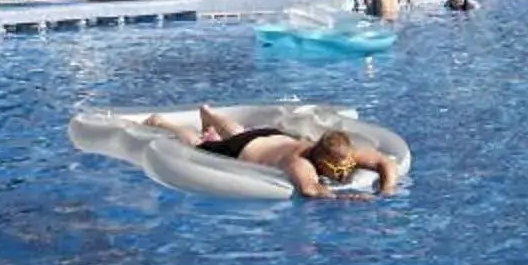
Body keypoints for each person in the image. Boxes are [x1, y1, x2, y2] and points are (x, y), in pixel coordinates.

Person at [156, 107, 402, 198]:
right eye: (337, 170)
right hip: (243, 148)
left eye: (347, 167)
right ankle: (163, 123)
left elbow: (384, 162)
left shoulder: (342, 152)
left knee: (239, 130)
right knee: (198, 145)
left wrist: (387, 189)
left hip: (269, 135)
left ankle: (209, 114)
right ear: (319, 159)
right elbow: (310, 190)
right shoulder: (300, 163)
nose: (343, 173)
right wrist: (349, 198)